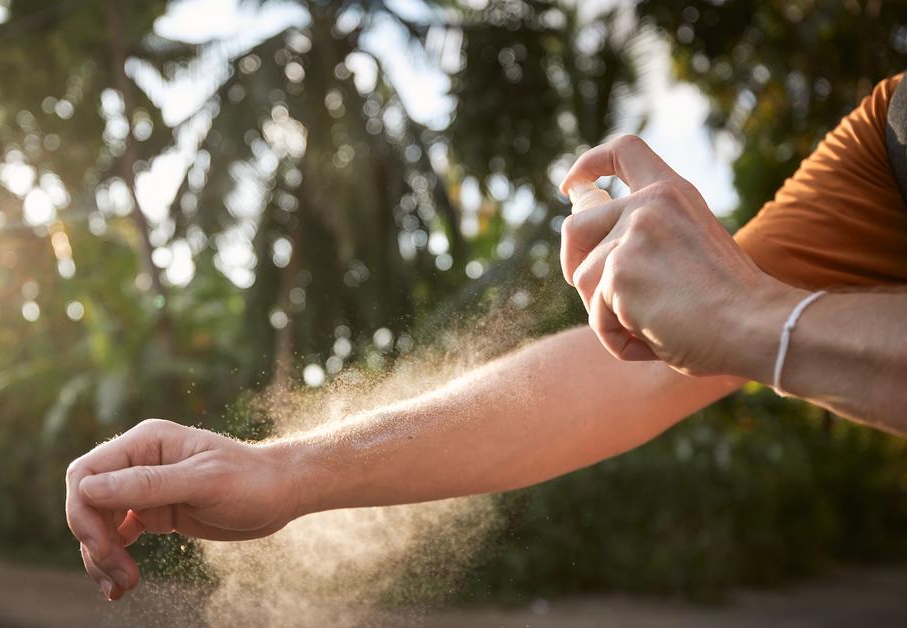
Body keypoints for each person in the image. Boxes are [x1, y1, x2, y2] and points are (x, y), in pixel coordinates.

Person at [65, 75, 907, 601]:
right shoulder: (886, 136)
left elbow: (743, 322)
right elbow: (632, 369)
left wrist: (754, 321)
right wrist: (283, 469)